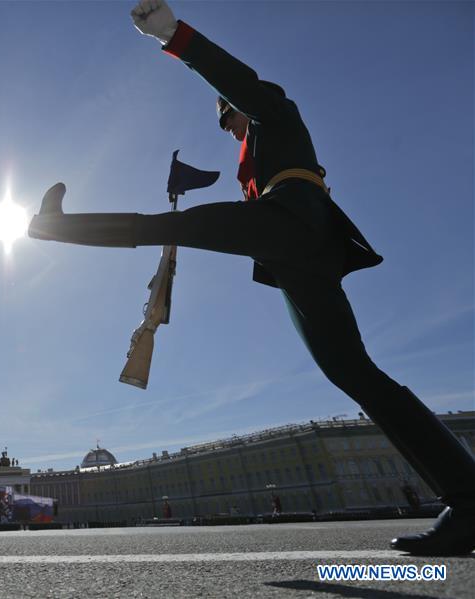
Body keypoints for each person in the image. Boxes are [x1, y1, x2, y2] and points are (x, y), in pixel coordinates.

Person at [28, 0, 475, 556]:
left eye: (229, 115)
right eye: (224, 120)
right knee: (354, 373)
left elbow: (236, 78)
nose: (229, 126)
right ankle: (469, 497)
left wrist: (171, 34)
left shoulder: (276, 113)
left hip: (291, 220)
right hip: (294, 254)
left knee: (171, 224)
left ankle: (54, 227)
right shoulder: (254, 165)